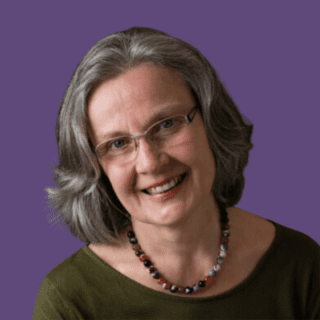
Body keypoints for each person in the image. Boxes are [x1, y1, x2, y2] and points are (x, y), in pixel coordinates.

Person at [33, 27, 320, 319]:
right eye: (117, 144)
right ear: (94, 168)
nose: (150, 163)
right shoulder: (67, 300)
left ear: (210, 121)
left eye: (167, 124)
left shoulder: (301, 266)